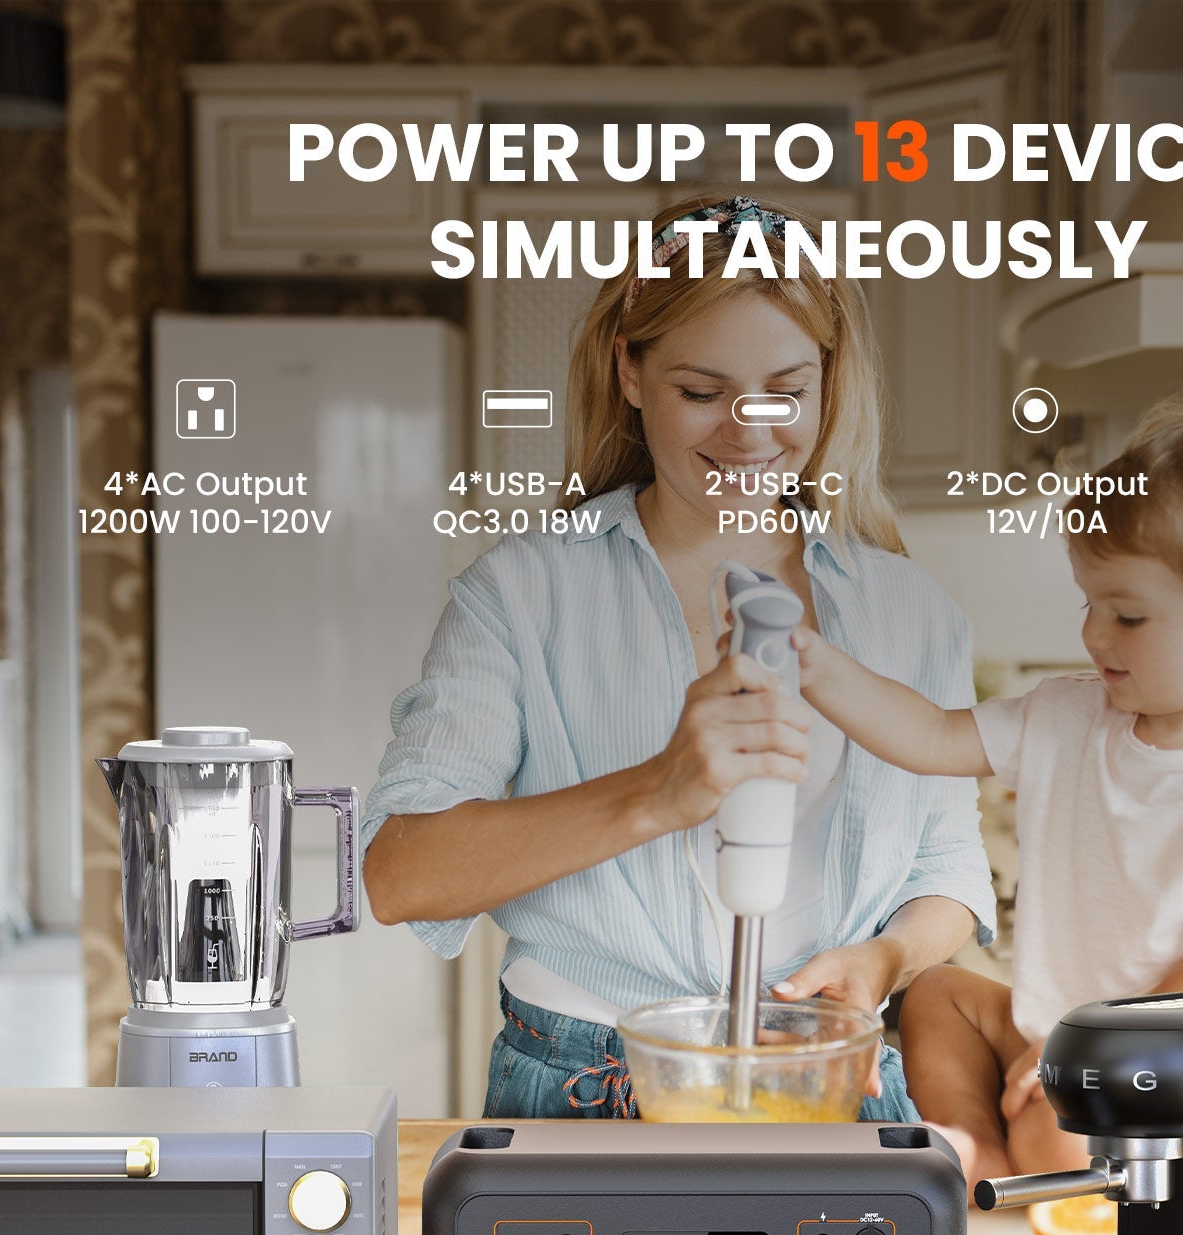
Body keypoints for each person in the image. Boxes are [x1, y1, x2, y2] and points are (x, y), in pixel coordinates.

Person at [363, 194, 993, 1119]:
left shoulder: (909, 611)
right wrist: (659, 789)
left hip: (829, 1079)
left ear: (829, 379)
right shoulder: (524, 595)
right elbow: (399, 875)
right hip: (586, 1085)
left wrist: (883, 959)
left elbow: (949, 866)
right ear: (629, 371)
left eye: (787, 390)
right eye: (701, 392)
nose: (749, 429)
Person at [790, 403, 1183, 1183]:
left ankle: (1027, 1164)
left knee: (1060, 1138)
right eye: (1089, 603)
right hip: (1054, 1037)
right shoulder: (1068, 714)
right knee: (935, 995)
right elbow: (927, 737)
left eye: (1127, 615)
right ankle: (973, 1145)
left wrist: (1097, 1045)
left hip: (1179, 1069)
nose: (1094, 635)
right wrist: (812, 663)